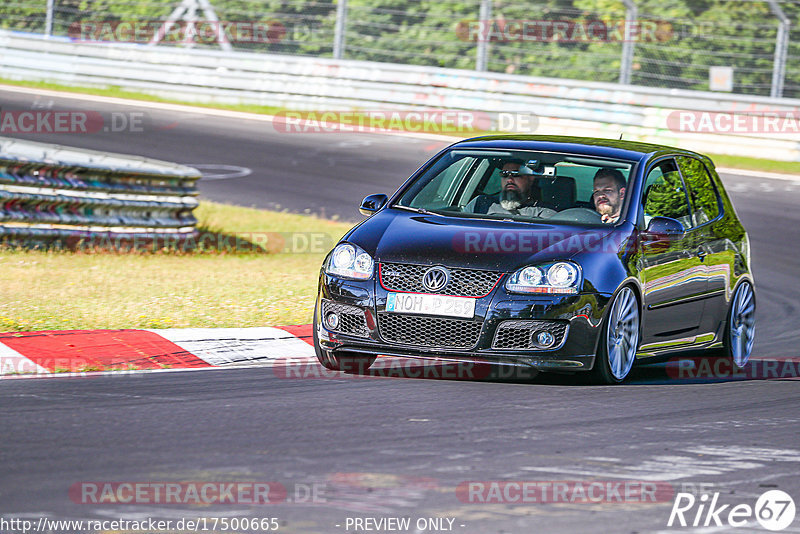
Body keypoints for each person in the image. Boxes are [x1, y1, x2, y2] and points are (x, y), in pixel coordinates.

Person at [465, 160, 556, 219]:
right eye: (504, 174)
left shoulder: (544, 213)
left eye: (516, 174)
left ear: (531, 178)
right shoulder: (480, 204)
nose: (509, 180)